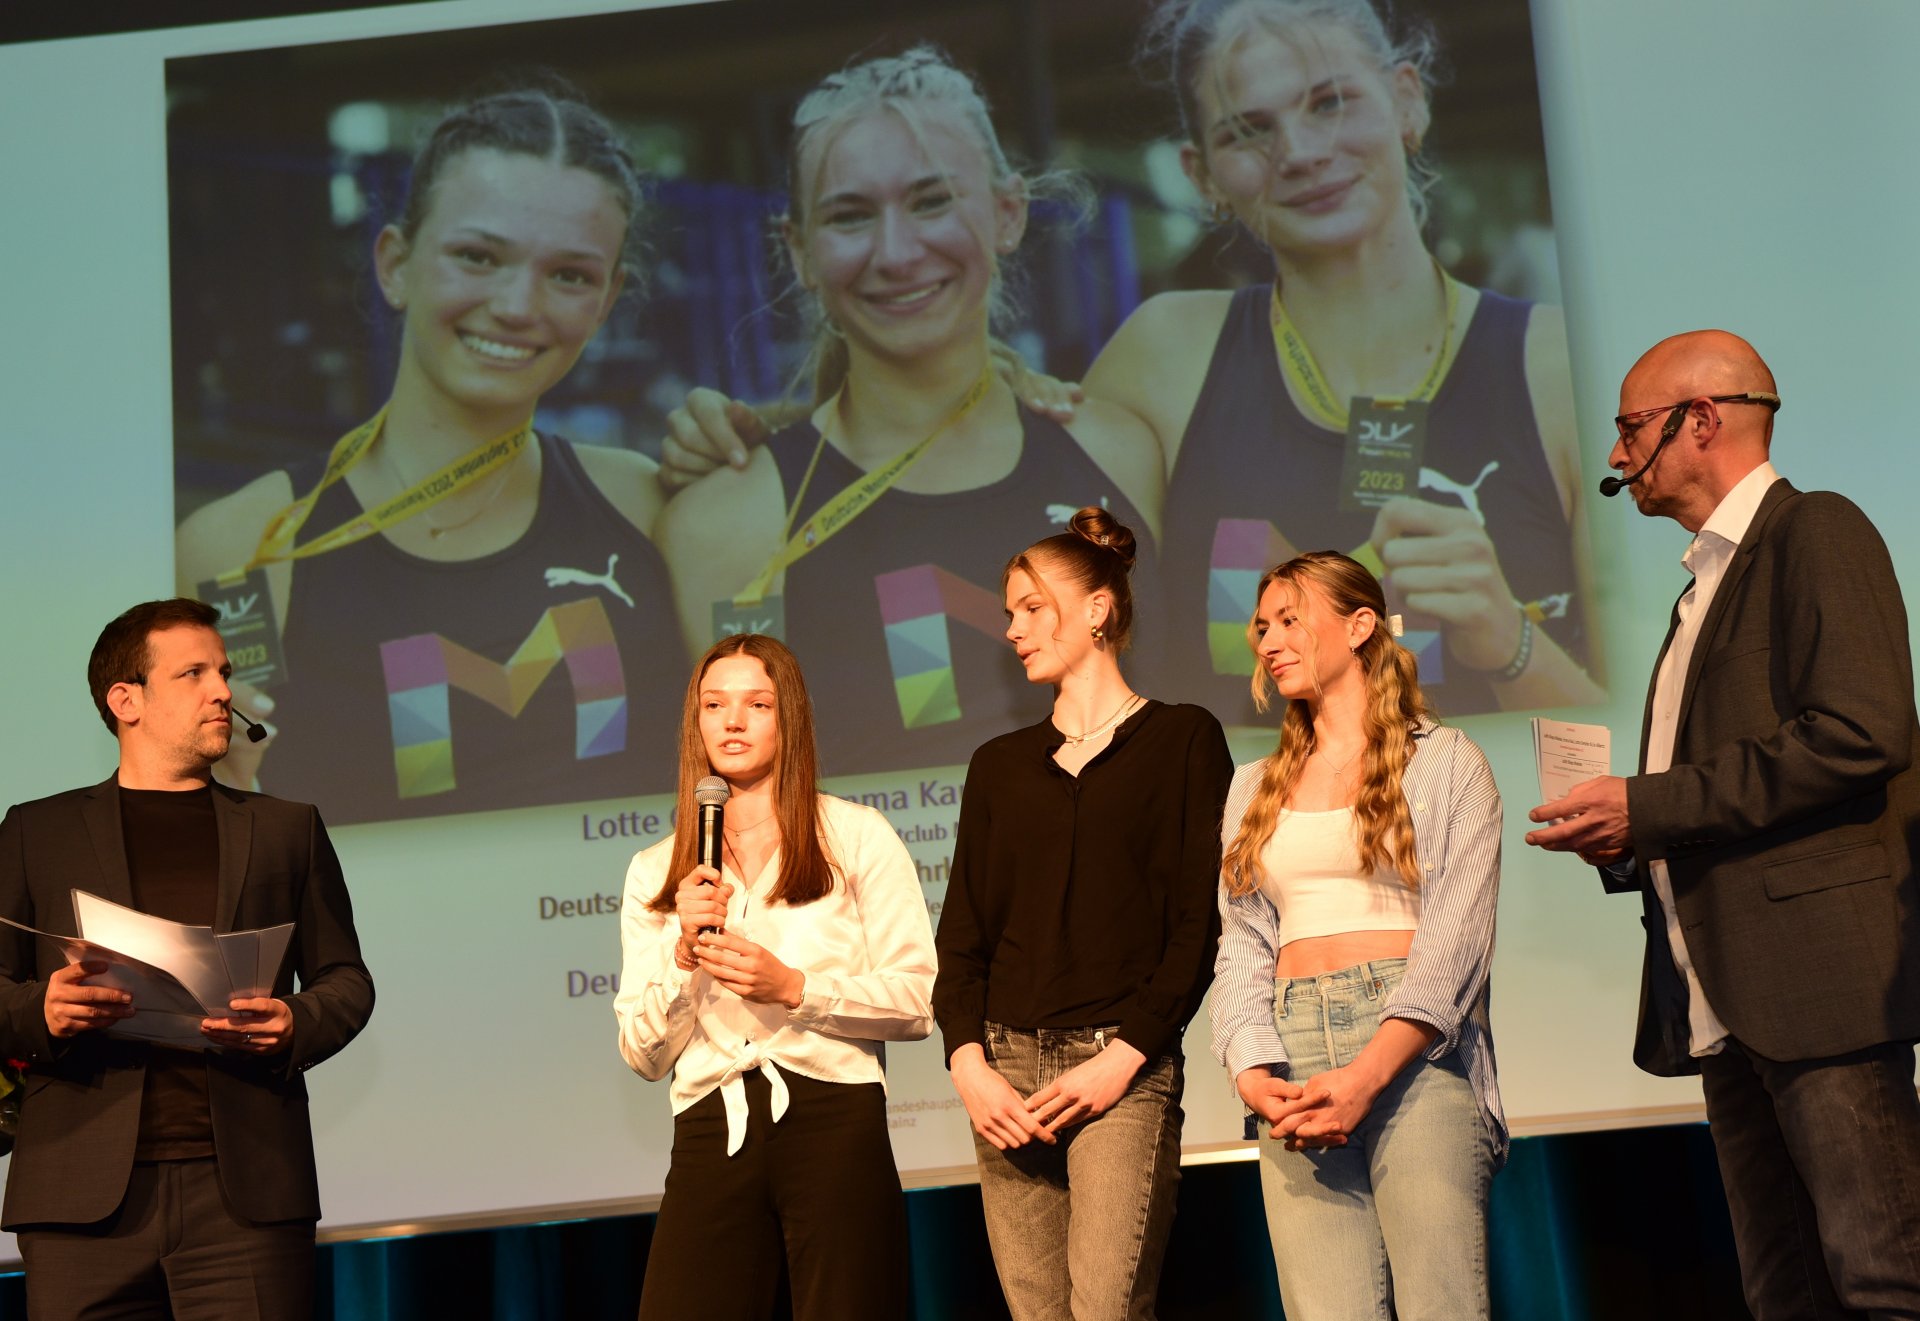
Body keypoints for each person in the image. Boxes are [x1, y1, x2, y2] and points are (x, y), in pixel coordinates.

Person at [664, 2, 1601, 726]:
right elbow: (968, 438)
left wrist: (1511, 642)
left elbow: (1647, 728)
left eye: (1331, 102)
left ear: (1407, 99)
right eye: (1249, 130)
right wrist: (755, 440)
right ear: (1201, 174)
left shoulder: (1561, 366)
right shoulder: (1162, 364)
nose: (1302, 151)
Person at [1526, 330, 1920, 1318]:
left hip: (1817, 983)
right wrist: (1627, 833)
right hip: (1724, 994)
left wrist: (1648, 804)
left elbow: (1861, 732)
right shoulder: (1699, 588)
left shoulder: (1816, 531)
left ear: (1698, 421)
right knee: (1786, 1293)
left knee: (1883, 1276)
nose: (1616, 456)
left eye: (1629, 430)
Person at [175, 86, 686, 824]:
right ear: (395, 264)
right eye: (477, 256)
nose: (517, 304)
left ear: (607, 301)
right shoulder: (244, 548)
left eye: (569, 274)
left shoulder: (653, 511)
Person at [655, 46, 1163, 776]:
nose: (896, 252)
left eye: (932, 202)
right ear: (799, 250)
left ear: (1009, 212)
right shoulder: (728, 525)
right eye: (851, 215)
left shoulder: (1121, 453)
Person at [0, 598, 374, 1320]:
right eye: (194, 673)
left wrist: (293, 1020)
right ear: (125, 699)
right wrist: (40, 1008)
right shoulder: (34, 831)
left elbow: (346, 979)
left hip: (245, 1196)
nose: (223, 691)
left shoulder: (283, 829)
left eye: (225, 672)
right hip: (82, 1197)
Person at [933, 508, 1231, 1320]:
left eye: (1031, 607)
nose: (1014, 629)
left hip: (1118, 1072)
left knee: (1106, 1308)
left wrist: (1126, 1055)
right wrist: (968, 1065)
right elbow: (961, 937)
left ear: (1097, 609)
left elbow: (1197, 926)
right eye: (1008, 613)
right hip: (1005, 1076)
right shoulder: (997, 767)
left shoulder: (1183, 740)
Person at [1211, 550, 1503, 1319]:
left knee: (1442, 1301)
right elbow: (1241, 943)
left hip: (1412, 1053)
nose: (1269, 641)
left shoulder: (1445, 763)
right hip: (1293, 1055)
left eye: (1289, 621)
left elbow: (1456, 940)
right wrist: (1250, 1069)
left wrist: (1370, 1071)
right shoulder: (1251, 785)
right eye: (1262, 628)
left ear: (1359, 625)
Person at [614, 633, 937, 1321]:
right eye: (714, 704)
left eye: (756, 703)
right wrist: (682, 954)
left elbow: (917, 998)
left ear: (786, 717)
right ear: (695, 722)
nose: (732, 721)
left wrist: (795, 987)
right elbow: (642, 1053)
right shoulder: (656, 869)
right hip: (711, 1122)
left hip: (832, 1116)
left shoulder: (854, 834)